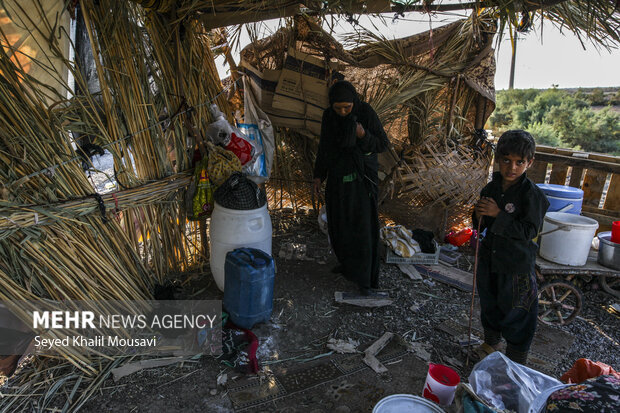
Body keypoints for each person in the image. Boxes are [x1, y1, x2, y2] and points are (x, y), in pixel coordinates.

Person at [473, 130, 549, 364]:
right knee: (490, 302)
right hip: (490, 258)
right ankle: (491, 342)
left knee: (518, 309)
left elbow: (529, 231)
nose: (512, 167)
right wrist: (477, 215)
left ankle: (516, 358)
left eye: (519, 162)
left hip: (516, 265)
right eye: (506, 160)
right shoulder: (491, 188)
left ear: (530, 162)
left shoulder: (531, 195)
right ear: (498, 159)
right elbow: (480, 224)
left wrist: (499, 214)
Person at [313, 80, 389, 295]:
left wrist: (363, 136)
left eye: (348, 107)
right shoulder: (329, 117)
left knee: (362, 230)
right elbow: (325, 147)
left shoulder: (365, 112)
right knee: (340, 226)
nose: (344, 112)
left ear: (354, 102)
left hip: (361, 181)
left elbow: (383, 144)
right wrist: (318, 175)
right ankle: (347, 266)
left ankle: (365, 280)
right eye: (339, 108)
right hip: (338, 180)